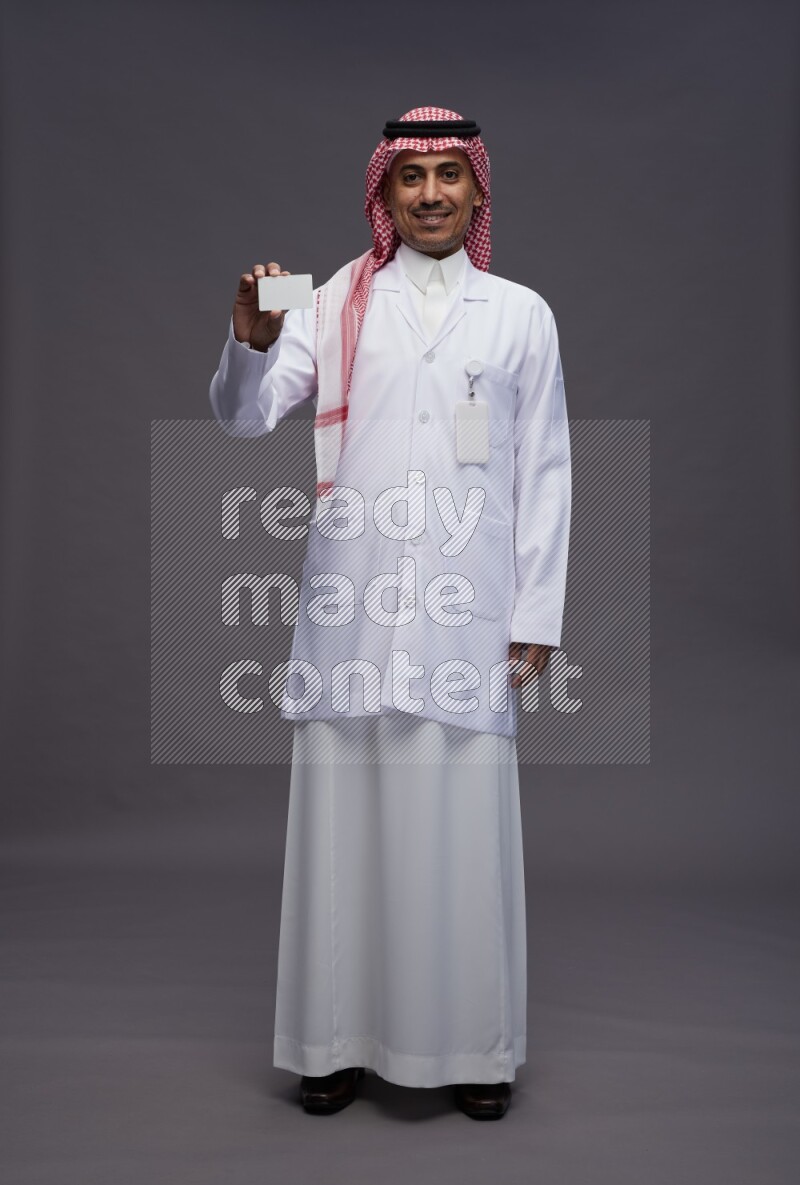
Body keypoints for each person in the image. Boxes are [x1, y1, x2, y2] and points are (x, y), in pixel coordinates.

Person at [209, 107, 571, 1120]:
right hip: (353, 604)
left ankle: (474, 1051)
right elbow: (244, 417)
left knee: (461, 834)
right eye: (410, 177)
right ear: (384, 191)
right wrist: (246, 344)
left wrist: (535, 609)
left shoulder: (519, 313)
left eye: (448, 175)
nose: (429, 194)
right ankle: (330, 1045)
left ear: (477, 189)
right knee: (343, 834)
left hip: (467, 612)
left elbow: (544, 468)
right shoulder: (328, 299)